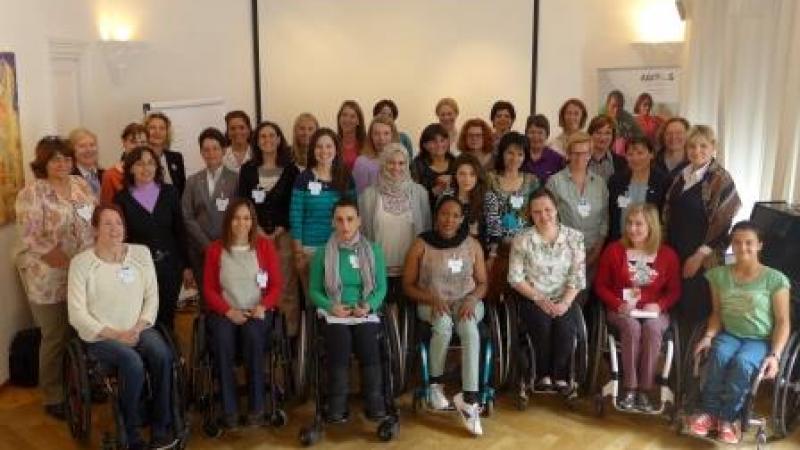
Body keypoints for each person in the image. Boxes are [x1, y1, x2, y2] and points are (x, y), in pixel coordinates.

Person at [67, 204, 176, 449]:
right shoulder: (81, 263)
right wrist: (116, 334)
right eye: (107, 223)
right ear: (95, 229)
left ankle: (162, 425)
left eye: (118, 223)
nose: (114, 228)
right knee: (132, 363)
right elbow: (77, 314)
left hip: (139, 328)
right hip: (101, 337)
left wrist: (138, 327)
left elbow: (152, 297)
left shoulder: (141, 253)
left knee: (162, 354)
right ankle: (130, 428)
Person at [688, 221, 791, 444]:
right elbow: (716, 313)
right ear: (731, 245)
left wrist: (775, 356)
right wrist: (708, 337)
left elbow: (783, 322)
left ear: (760, 245)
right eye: (737, 242)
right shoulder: (718, 275)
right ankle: (710, 413)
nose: (742, 247)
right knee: (719, 355)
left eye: (749, 243)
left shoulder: (775, 279)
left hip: (759, 339)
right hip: (730, 333)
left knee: (743, 364)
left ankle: (728, 418)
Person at [15, 136, 96, 419]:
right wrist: (66, 262)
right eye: (55, 159)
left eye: (66, 158)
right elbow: (31, 237)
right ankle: (53, 395)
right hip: (47, 277)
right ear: (43, 163)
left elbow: (91, 226)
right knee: (55, 335)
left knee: (82, 329)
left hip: (82, 271)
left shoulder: (81, 186)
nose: (62, 163)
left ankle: (82, 383)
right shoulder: (32, 193)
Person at [402, 197, 488, 436]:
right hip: (431, 301)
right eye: (444, 214)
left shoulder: (472, 245)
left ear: (462, 219)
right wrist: (431, 298)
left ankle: (469, 399)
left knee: (469, 328)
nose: (449, 220)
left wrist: (471, 299)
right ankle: (435, 385)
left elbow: (482, 283)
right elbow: (408, 285)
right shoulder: (421, 244)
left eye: (455, 215)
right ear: (436, 216)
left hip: (466, 301)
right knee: (442, 325)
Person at [203, 198, 283, 429]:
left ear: (252, 221)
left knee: (253, 335)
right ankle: (229, 409)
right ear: (229, 221)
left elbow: (276, 285)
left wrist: (263, 306)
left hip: (256, 311)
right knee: (222, 339)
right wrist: (228, 311)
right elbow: (208, 288)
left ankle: (257, 406)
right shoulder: (215, 249)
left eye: (246, 218)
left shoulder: (264, 247)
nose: (241, 223)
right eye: (236, 218)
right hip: (225, 311)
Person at [594, 203, 681, 411]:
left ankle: (645, 390)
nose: (633, 229)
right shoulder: (614, 250)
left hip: (654, 311)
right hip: (622, 310)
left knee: (652, 329)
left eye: (639, 224)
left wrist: (659, 305)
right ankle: (630, 388)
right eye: (630, 223)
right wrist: (618, 304)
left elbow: (675, 290)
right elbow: (600, 285)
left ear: (651, 226)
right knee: (632, 328)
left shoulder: (667, 255)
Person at [308, 198, 388, 422]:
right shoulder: (322, 253)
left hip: (364, 312)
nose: (345, 226)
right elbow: (313, 290)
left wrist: (369, 305)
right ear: (333, 222)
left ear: (359, 222)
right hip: (335, 314)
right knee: (339, 342)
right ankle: (337, 403)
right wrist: (330, 306)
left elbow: (381, 288)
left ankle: (375, 402)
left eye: (350, 219)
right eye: (340, 220)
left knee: (368, 340)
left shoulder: (374, 250)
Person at [663, 125, 741, 344]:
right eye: (692, 146)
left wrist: (699, 257)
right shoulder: (683, 174)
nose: (697, 151)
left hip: (701, 259)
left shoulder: (720, 179)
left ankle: (691, 372)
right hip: (675, 251)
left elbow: (724, 223)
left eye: (703, 146)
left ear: (713, 147)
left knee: (695, 313)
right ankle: (673, 369)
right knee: (676, 309)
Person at [508, 187, 586, 393]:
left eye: (548, 209)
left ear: (556, 209)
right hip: (532, 297)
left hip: (564, 298)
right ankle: (542, 374)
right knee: (541, 324)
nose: (543, 216)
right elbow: (515, 278)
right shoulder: (522, 239)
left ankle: (560, 376)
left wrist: (565, 303)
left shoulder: (574, 238)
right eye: (537, 212)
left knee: (565, 325)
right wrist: (539, 299)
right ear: (530, 214)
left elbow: (577, 277)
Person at [114, 146, 194, 328]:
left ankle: (170, 355)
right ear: (131, 168)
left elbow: (180, 230)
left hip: (170, 268)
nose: (146, 168)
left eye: (151, 163)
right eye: (140, 163)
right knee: (145, 318)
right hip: (139, 269)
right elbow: (121, 240)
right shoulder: (121, 199)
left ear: (157, 167)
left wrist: (187, 266)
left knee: (167, 317)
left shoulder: (170, 193)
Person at [238, 121, 301, 335]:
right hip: (254, 238)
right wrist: (257, 230)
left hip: (283, 236)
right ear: (256, 141)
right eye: (262, 136)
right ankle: (263, 334)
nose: (267, 140)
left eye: (271, 135)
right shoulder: (247, 170)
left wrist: (280, 228)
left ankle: (290, 335)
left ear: (279, 139)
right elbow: (243, 202)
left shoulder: (291, 170)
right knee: (258, 285)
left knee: (286, 287)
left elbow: (294, 203)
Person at [290, 128, 356, 298]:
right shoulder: (303, 179)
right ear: (313, 150)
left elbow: (354, 215)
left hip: (341, 247)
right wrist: (298, 254)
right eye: (319, 147)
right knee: (314, 300)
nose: (324, 151)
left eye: (329, 146)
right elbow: (296, 216)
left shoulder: (346, 177)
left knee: (338, 299)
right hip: (310, 250)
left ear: (336, 149)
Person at [182, 127, 239, 305]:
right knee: (208, 299)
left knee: (231, 296)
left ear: (223, 150)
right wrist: (207, 245)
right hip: (201, 250)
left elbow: (241, 214)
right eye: (206, 149)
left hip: (229, 248)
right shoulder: (192, 181)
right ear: (201, 153)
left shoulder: (236, 179)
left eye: (215, 148)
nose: (211, 153)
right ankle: (208, 332)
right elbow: (187, 216)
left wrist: (225, 243)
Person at [546, 132, 609, 277]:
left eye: (584, 153)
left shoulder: (600, 184)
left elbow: (605, 220)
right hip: (563, 254)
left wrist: (596, 252)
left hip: (593, 253)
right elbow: (549, 221)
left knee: (588, 296)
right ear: (568, 154)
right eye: (575, 153)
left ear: (590, 154)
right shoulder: (555, 182)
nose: (580, 157)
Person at [485, 132, 539, 301]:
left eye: (520, 154)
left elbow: (537, 214)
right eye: (510, 152)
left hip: (525, 249)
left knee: (520, 296)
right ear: (501, 153)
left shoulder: (532, 181)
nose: (515, 158)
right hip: (496, 248)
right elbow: (486, 214)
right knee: (494, 293)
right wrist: (493, 251)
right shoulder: (490, 178)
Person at [606, 137, 669, 242]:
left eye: (640, 153)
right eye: (630, 154)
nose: (635, 158)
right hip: (619, 242)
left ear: (651, 154)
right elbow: (611, 213)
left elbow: (665, 217)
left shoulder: (663, 182)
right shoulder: (615, 181)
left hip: (649, 243)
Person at [441, 153, 502, 257]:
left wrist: (492, 255)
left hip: (480, 252)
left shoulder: (488, 197)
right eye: (462, 174)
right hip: (450, 251)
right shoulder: (447, 196)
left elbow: (494, 229)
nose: (467, 179)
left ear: (478, 175)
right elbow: (439, 226)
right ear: (455, 175)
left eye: (472, 174)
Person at [410, 123, 456, 208]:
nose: (439, 145)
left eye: (442, 140)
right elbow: (413, 197)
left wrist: (453, 180)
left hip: (451, 216)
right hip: (426, 214)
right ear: (424, 145)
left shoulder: (455, 162)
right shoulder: (416, 165)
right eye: (433, 141)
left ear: (448, 141)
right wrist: (434, 191)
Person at [101, 123, 148, 204]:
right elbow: (107, 207)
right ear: (124, 142)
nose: (139, 147)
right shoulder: (111, 175)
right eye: (133, 142)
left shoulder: (152, 172)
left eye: (143, 142)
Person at [352, 116, 398, 194]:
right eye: (376, 134)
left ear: (392, 136)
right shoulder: (362, 162)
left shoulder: (400, 160)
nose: (381, 138)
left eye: (386, 133)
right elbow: (361, 196)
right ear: (371, 137)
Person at [145, 112, 186, 195]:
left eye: (162, 128)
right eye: (152, 128)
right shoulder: (138, 159)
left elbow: (182, 189)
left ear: (167, 133)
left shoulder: (176, 157)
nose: (157, 132)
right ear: (145, 131)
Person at [522, 114, 565, 184]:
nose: (535, 136)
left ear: (547, 135)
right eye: (532, 132)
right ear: (526, 134)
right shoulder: (518, 155)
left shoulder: (557, 159)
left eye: (540, 133)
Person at [587, 114, 627, 183]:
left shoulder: (622, 163)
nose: (603, 137)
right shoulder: (579, 159)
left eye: (607, 133)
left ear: (613, 136)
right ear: (590, 135)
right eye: (598, 132)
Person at [603, 90, 642, 156]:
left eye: (619, 106)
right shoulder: (601, 119)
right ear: (607, 105)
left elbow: (640, 136)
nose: (616, 110)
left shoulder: (629, 119)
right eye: (613, 106)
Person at [68, 127, 104, 197]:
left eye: (92, 145)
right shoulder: (69, 178)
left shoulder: (105, 174)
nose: (88, 150)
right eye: (82, 146)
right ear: (72, 150)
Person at [655, 117, 690, 182]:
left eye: (679, 133)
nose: (673, 137)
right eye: (668, 133)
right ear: (663, 136)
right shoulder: (651, 160)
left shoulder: (695, 162)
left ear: (688, 136)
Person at [337, 100, 367, 171]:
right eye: (344, 115)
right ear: (339, 118)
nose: (347, 119)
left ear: (358, 121)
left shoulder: (366, 144)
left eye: (352, 116)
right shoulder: (332, 143)